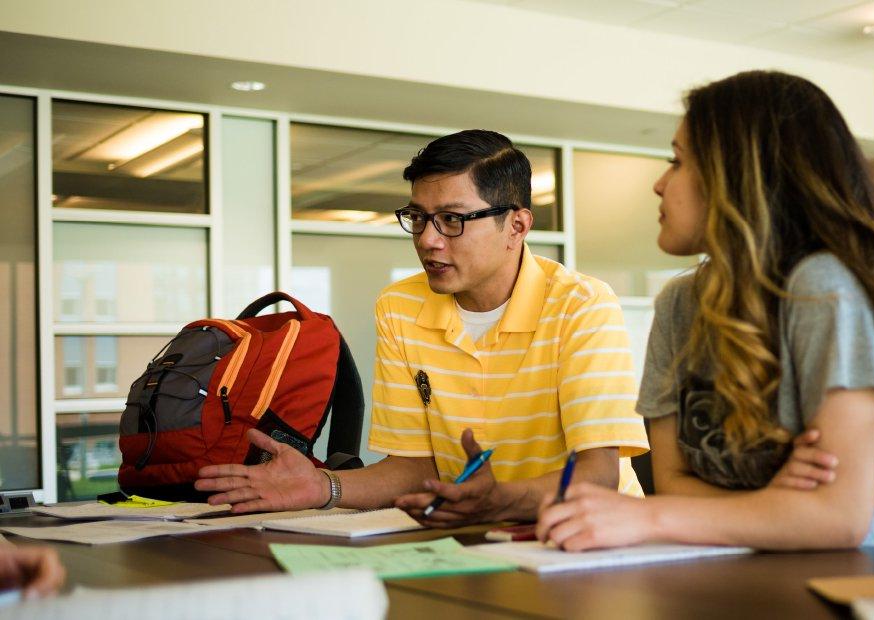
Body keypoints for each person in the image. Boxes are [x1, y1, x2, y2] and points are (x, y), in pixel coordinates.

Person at [535, 70, 874, 551]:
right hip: (748, 569)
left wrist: (648, 516)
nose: (660, 184)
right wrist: (773, 499)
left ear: (740, 175)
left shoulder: (820, 288)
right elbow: (674, 481)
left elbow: (837, 517)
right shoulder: (678, 306)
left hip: (866, 577)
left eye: (677, 162)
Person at [195, 130, 650, 527]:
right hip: (473, 536)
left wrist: (498, 502)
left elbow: (598, 474)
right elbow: (414, 468)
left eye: (452, 220)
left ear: (516, 225)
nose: (428, 239)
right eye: (418, 218)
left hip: (593, 538)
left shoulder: (580, 304)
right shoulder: (400, 307)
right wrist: (321, 486)